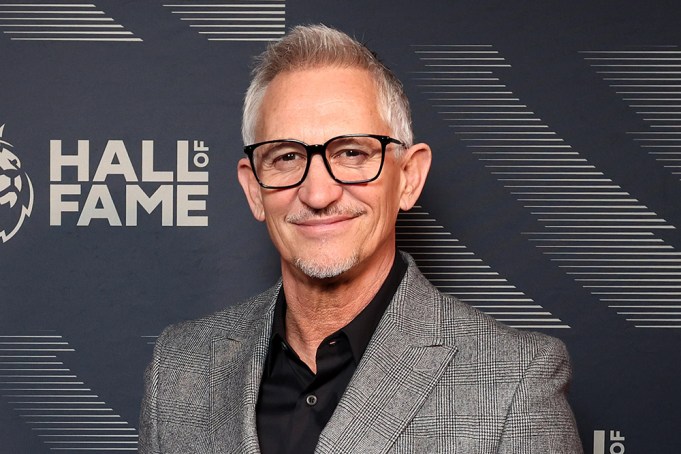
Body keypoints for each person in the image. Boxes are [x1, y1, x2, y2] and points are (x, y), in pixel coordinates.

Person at [139, 24, 583, 454]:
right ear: (255, 189)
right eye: (287, 157)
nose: (318, 193)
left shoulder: (513, 382)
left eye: (352, 153)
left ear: (408, 177)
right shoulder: (181, 368)